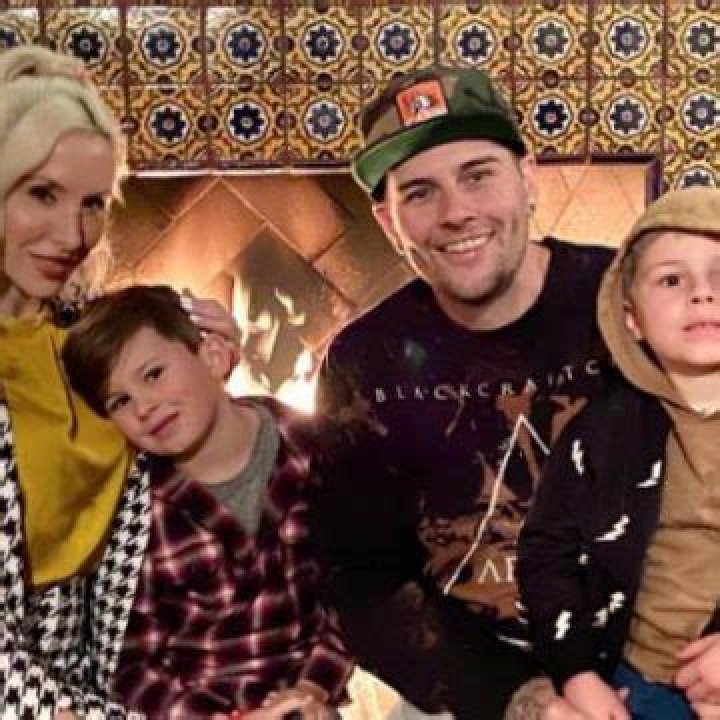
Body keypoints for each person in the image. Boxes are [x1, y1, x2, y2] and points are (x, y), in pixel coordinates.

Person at [311, 65, 615, 718]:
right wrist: (519, 697)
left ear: (528, 178)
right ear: (389, 221)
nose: (456, 213)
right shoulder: (365, 362)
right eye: (420, 193)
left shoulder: (631, 302)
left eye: (478, 175)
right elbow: (361, 582)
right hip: (474, 689)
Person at [0, 45, 242, 719]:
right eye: (42, 194)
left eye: (93, 203)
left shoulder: (87, 333)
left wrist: (207, 383)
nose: (72, 234)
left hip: (107, 678)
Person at [62, 284, 355, 720]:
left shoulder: (315, 449)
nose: (143, 407)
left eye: (153, 374)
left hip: (306, 701)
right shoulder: (134, 516)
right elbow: (130, 670)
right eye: (120, 401)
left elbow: (358, 595)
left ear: (214, 356)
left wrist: (314, 689)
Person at [518, 186, 720, 720]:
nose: (703, 295)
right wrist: (577, 674)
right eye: (672, 280)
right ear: (631, 317)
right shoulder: (602, 432)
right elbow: (547, 554)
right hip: (635, 684)